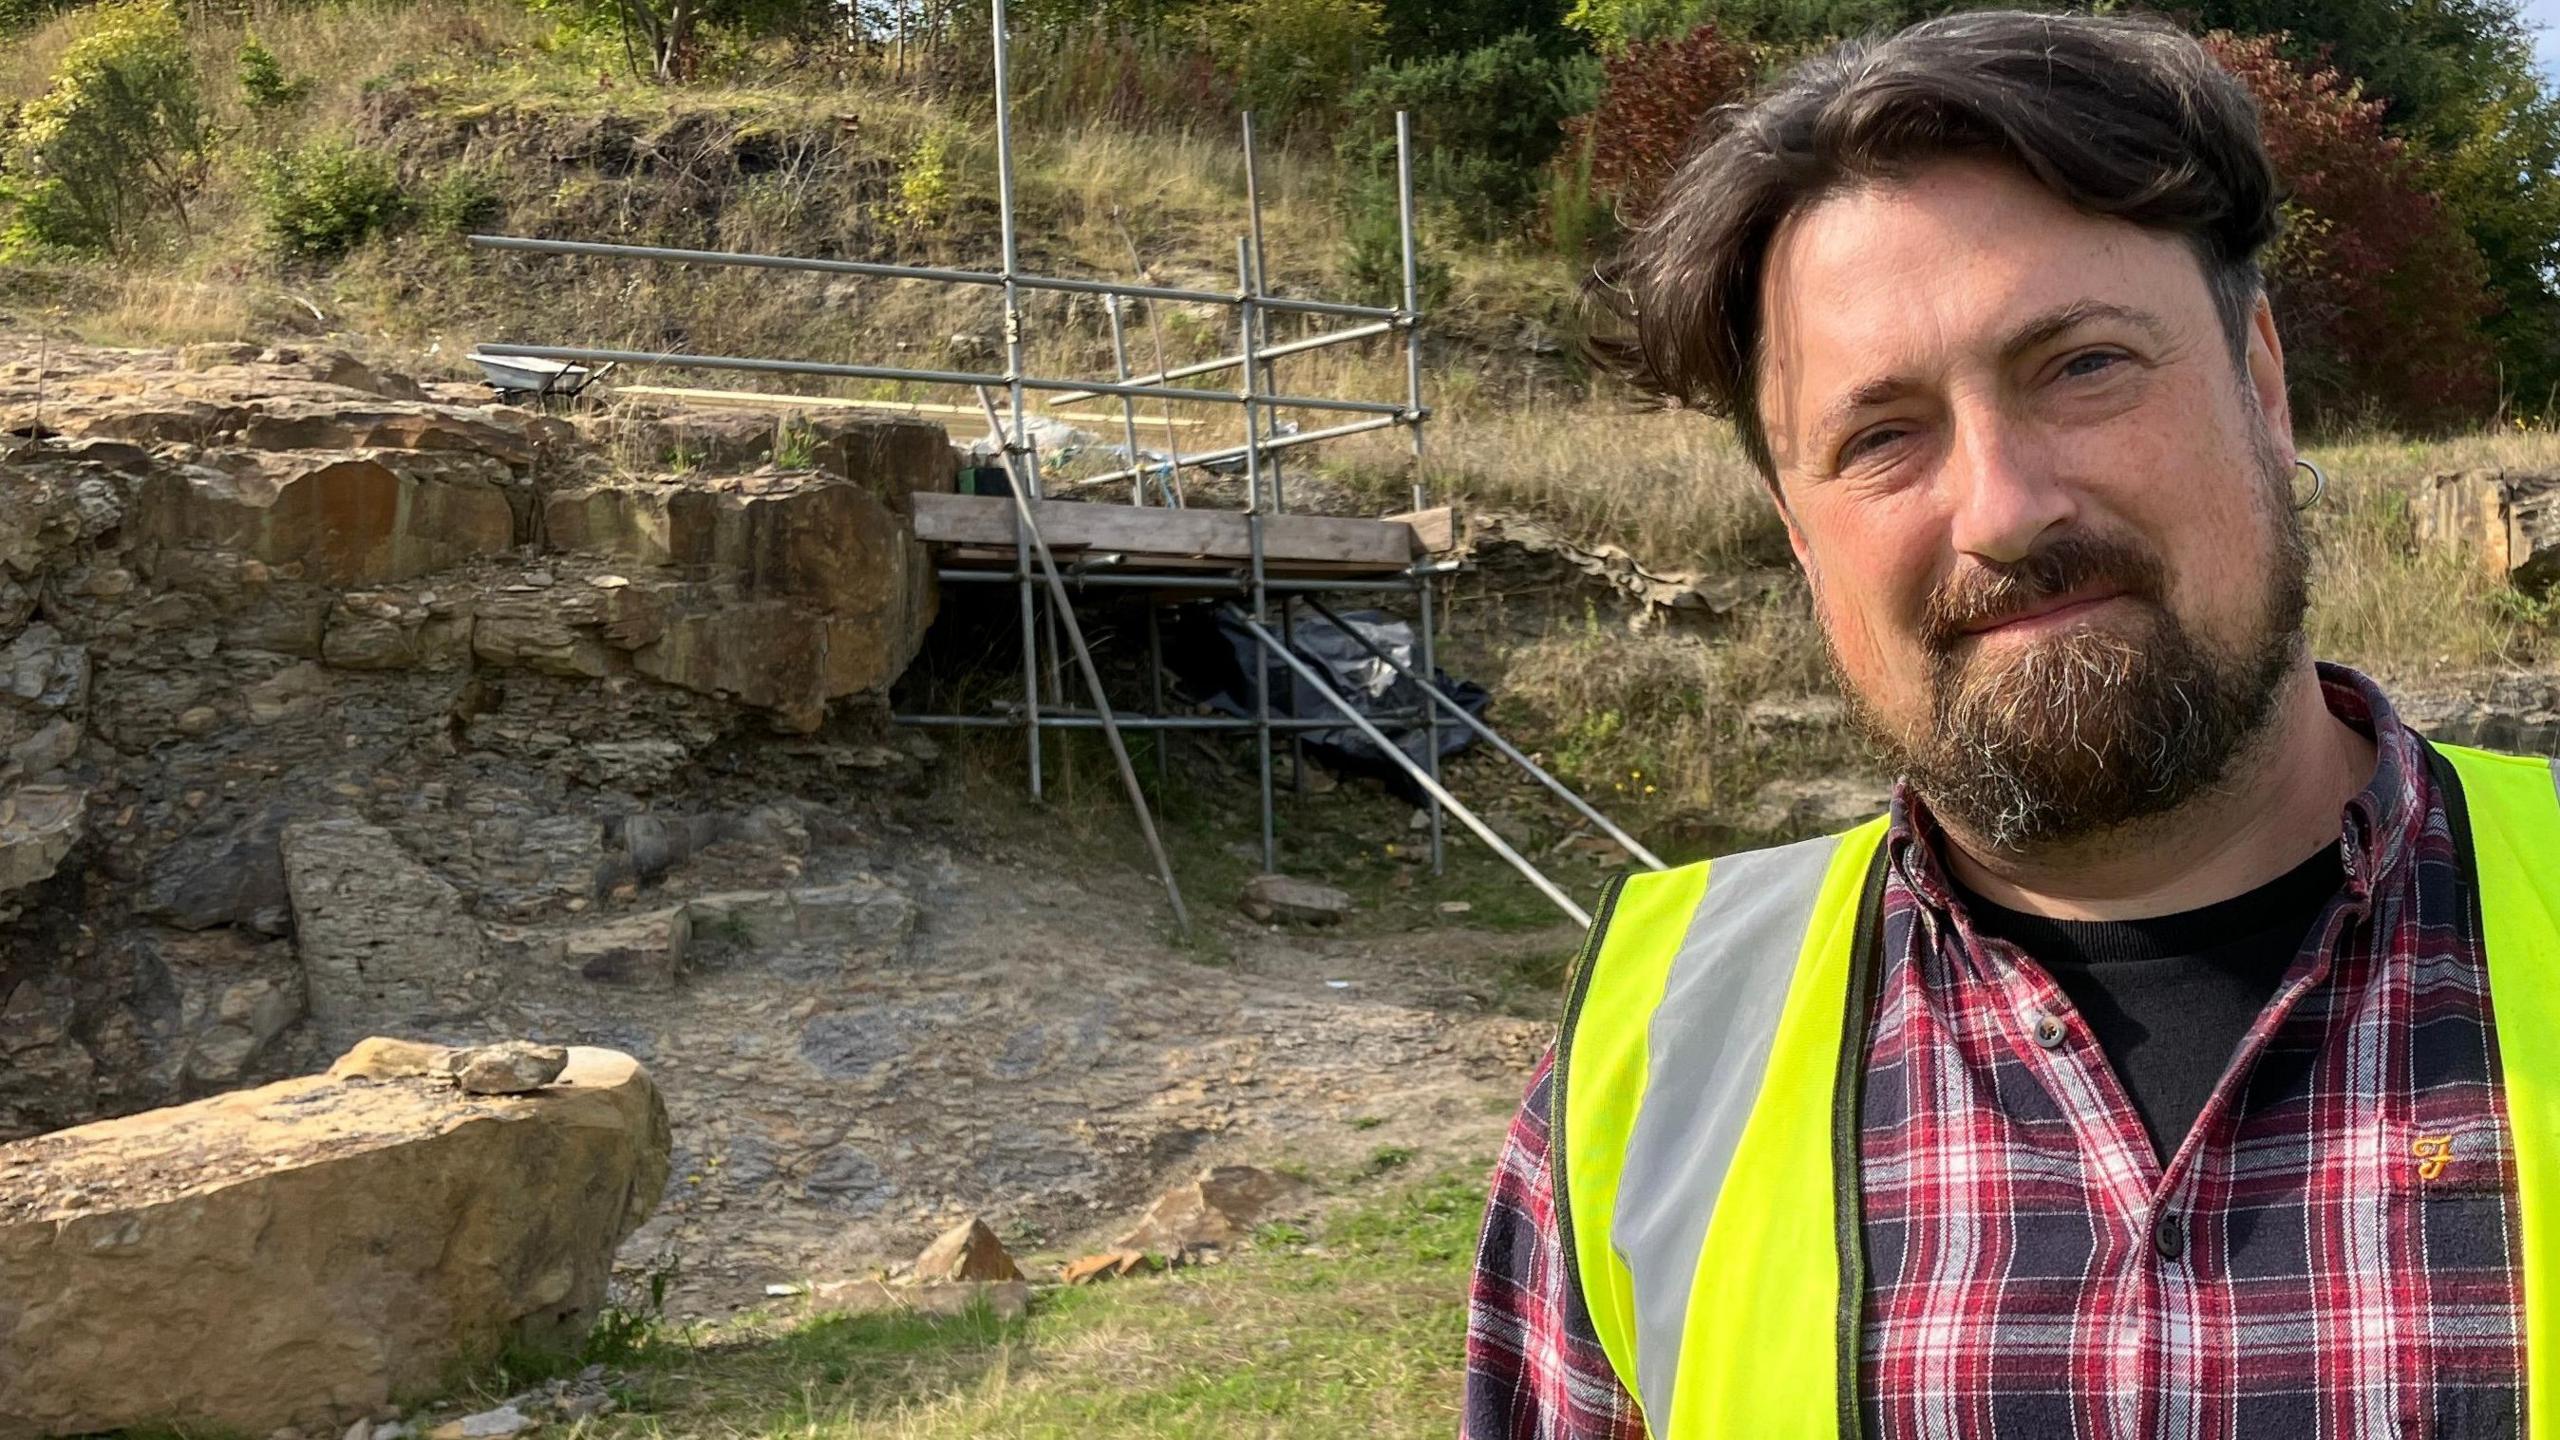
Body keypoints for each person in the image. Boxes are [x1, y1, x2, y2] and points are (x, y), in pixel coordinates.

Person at [1460, 11, 2560, 1439]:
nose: (2005, 509)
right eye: (1880, 437)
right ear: (1803, 537)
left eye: (2084, 365)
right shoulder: (1648, 1060)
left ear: (2264, 384)